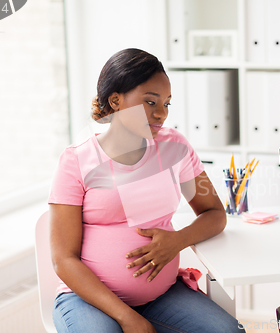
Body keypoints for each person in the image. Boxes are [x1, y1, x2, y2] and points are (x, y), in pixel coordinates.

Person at [48, 48, 244, 333]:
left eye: (167, 103)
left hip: (161, 297)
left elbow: (215, 214)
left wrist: (178, 240)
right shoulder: (76, 160)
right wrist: (128, 318)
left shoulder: (174, 147)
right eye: (151, 101)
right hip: (88, 300)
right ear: (115, 100)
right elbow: (63, 260)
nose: (161, 113)